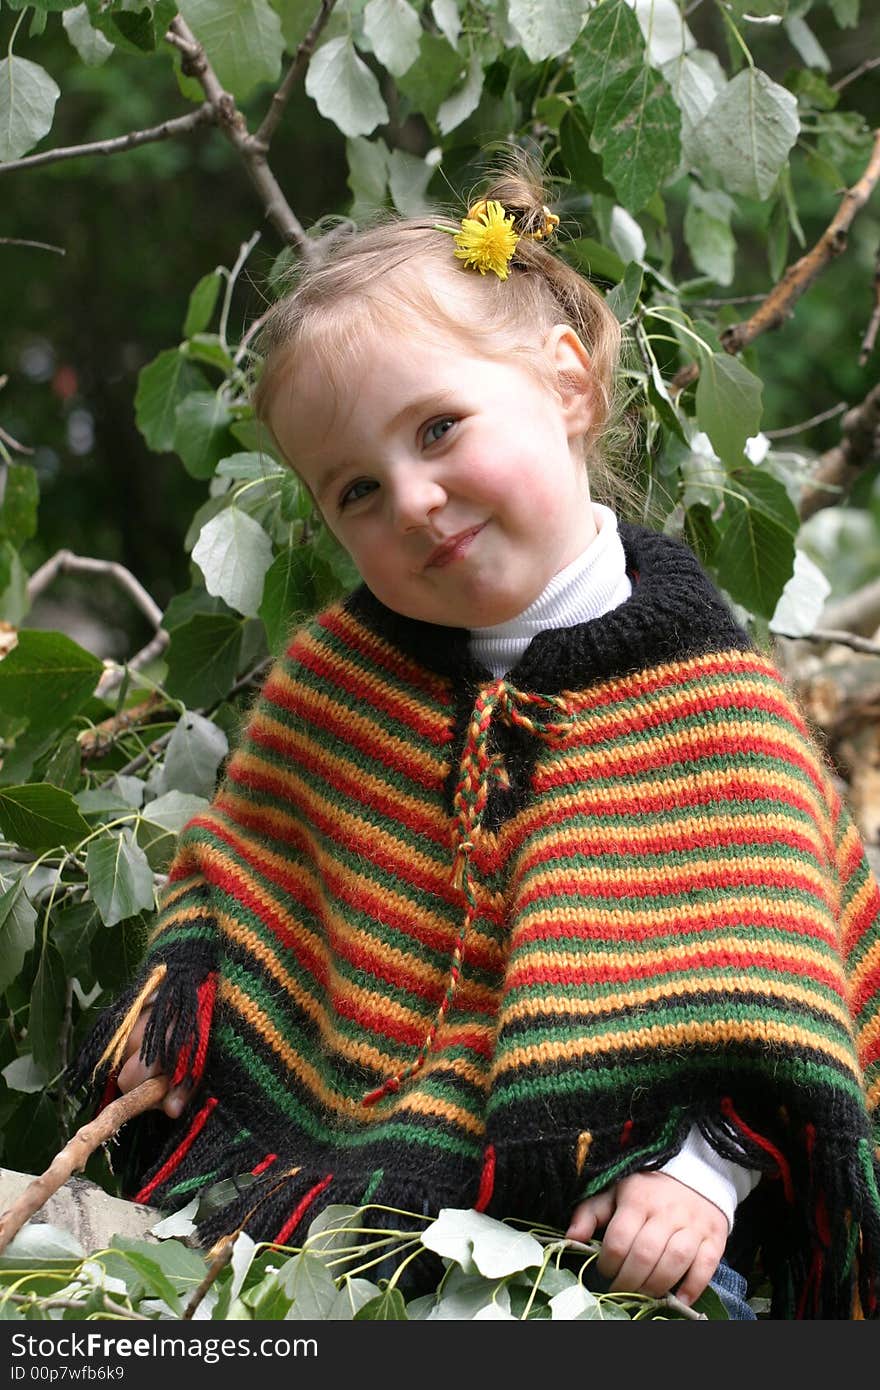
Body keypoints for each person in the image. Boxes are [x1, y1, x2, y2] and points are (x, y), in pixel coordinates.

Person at [74, 164, 880, 1320]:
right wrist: (193, 1025)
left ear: (565, 386)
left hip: (613, 1231)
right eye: (355, 489)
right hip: (355, 1219)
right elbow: (247, 884)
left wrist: (704, 1172)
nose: (409, 499)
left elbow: (781, 995)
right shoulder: (344, 685)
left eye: (440, 428)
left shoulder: (709, 705)